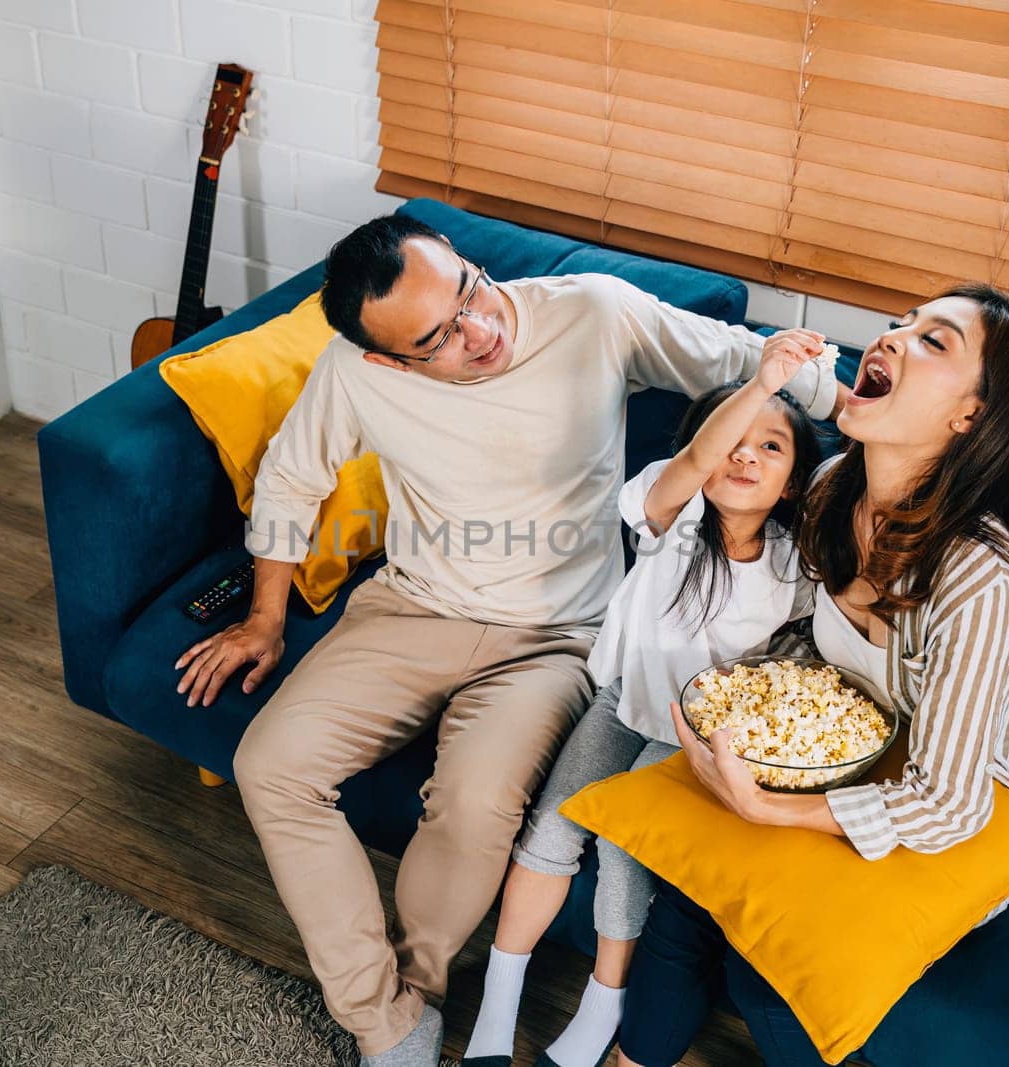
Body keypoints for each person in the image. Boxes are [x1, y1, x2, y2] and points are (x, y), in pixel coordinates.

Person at [171, 213, 848, 1066]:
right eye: (439, 339)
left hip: (556, 637)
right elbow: (291, 476)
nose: (480, 329)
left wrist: (861, 405)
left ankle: (415, 991)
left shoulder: (593, 313)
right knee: (268, 765)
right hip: (410, 609)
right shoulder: (355, 372)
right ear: (389, 360)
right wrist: (267, 616)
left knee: (480, 803)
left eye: (470, 290)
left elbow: (748, 360)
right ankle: (388, 1022)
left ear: (466, 263)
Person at [614, 283, 1009, 1067]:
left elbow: (952, 803)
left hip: (960, 814)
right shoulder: (830, 492)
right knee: (686, 895)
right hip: (851, 751)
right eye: (902, 323)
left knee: (769, 973)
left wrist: (771, 811)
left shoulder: (979, 581)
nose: (891, 338)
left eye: (934, 341)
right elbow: (804, 641)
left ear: (971, 416)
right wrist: (721, 713)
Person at [461, 349, 826, 1067]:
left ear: (790, 485)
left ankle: (603, 1004)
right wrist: (762, 385)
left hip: (692, 740)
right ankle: (498, 1007)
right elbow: (693, 464)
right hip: (624, 704)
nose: (745, 455)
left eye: (771, 445)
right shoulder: (674, 512)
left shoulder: (793, 567)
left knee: (624, 848)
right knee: (553, 826)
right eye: (732, 439)